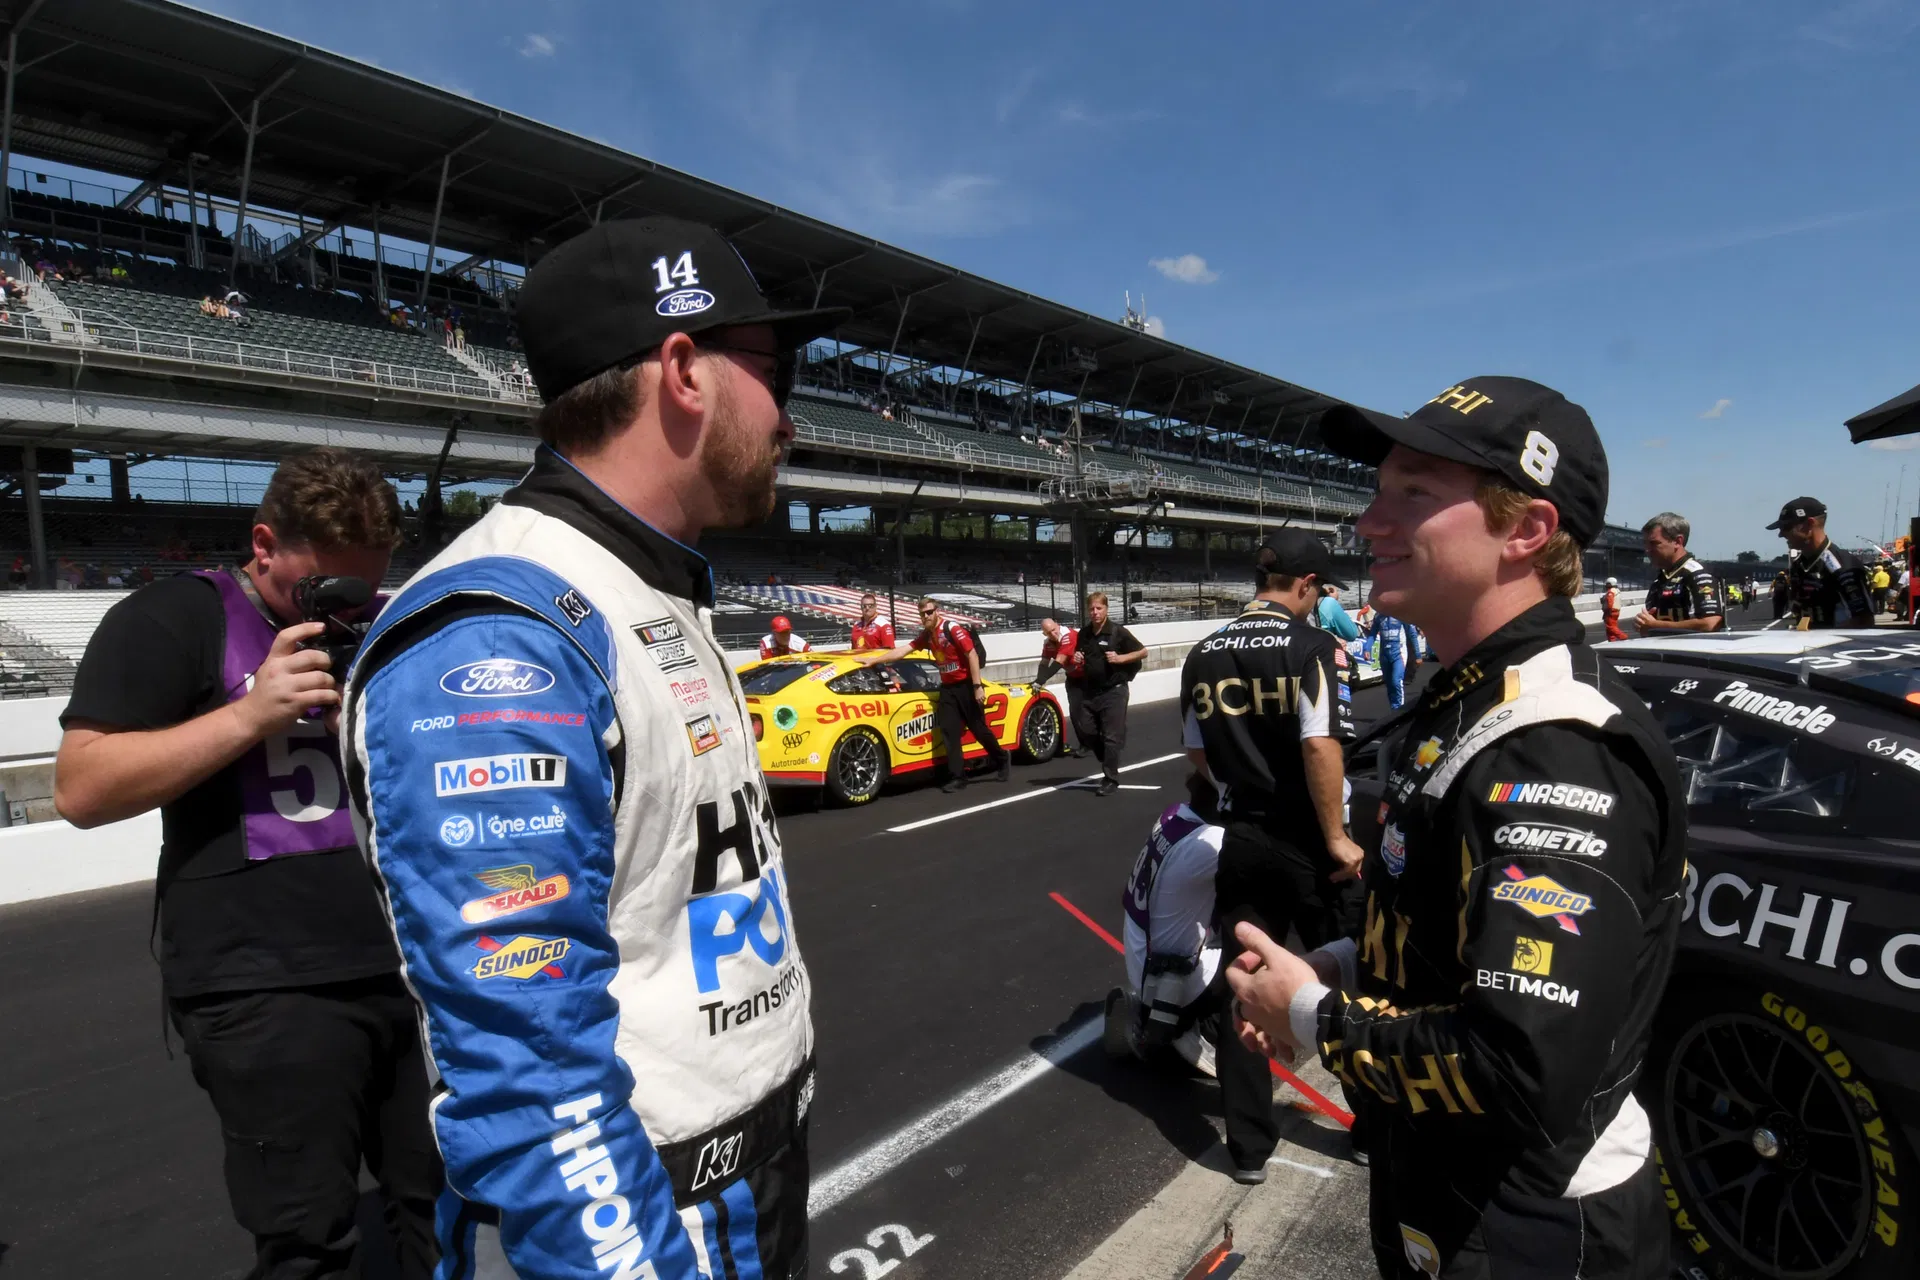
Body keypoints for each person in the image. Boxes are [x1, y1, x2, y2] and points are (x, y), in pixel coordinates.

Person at [342, 217, 842, 1278]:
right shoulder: (499, 635)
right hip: (652, 1216)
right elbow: (529, 1075)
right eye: (774, 369)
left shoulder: (652, 581)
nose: (789, 415)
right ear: (682, 370)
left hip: (752, 1178)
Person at [1227, 378, 1686, 1280]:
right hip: (1446, 1187)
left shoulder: (1556, 743)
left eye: (1415, 494)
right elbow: (1453, 938)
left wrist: (1315, 1018)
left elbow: (1520, 1068)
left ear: (1526, 532)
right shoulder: (1466, 701)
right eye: (1378, 491)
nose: (1368, 523)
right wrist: (1337, 968)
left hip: (1531, 1219)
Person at [53, 449, 439, 1278]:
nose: (347, 610)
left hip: (409, 969)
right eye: (324, 590)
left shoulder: (382, 622)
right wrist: (248, 715)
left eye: (364, 587)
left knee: (442, 1207)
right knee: (309, 1239)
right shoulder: (172, 619)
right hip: (265, 985)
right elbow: (81, 787)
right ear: (263, 546)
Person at [1178, 528, 1362, 1185]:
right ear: (1306, 585)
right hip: (1309, 843)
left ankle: (1249, 1149)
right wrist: (1338, 836)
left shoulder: (1204, 652)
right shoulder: (1313, 646)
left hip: (1243, 839)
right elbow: (1320, 746)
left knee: (1247, 989)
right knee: (1346, 980)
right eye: (1321, 591)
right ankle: (1370, 1127)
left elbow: (1196, 753)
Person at [1107, 771, 1227, 1076]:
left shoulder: (1173, 816)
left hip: (1145, 964)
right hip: (1171, 979)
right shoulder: (1211, 842)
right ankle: (1201, 1030)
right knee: (1259, 930)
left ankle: (1157, 1018)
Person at [858, 596, 1011, 792]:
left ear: (936, 611)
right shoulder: (927, 635)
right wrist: (875, 660)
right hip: (947, 688)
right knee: (949, 731)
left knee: (978, 728)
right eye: (923, 614)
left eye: (929, 612)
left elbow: (971, 654)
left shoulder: (952, 628)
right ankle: (958, 776)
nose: (926, 616)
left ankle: (1001, 757)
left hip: (965, 685)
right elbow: (904, 650)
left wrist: (977, 685)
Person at [1073, 592, 1147, 795]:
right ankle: (1106, 755)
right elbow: (1079, 654)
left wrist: (1120, 658)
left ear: (1106, 609)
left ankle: (1110, 779)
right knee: (1085, 729)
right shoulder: (1084, 633)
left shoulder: (1117, 632)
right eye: (1091, 609)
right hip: (1090, 690)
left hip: (1114, 690)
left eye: (1099, 608)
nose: (1095, 613)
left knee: (1111, 736)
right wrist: (1077, 657)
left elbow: (1143, 651)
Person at [1769, 497, 1874, 628]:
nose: (1781, 534)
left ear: (1809, 524)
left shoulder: (1842, 566)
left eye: (1787, 527)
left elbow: (1864, 621)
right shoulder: (1798, 566)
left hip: (1836, 646)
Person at [1634, 512, 1724, 634]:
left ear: (1677, 541)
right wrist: (1644, 625)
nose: (1647, 550)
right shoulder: (1660, 580)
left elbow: (1710, 624)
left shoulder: (1696, 573)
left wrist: (1655, 625)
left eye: (1654, 543)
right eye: (1645, 543)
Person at [1033, 616, 1086, 756]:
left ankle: (1100, 739)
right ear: (1044, 634)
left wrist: (1040, 681)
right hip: (1074, 678)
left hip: (1089, 676)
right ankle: (1085, 744)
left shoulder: (1068, 636)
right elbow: (1044, 663)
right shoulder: (1048, 643)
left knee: (1090, 712)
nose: (1053, 634)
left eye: (1054, 630)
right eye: (1049, 632)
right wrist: (1037, 680)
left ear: (1058, 625)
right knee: (1075, 713)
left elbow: (1058, 662)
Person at [1367, 606, 1421, 710]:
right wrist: (1367, 649)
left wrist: (1418, 655)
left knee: (1396, 681)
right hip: (1384, 655)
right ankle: (1394, 709)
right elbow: (1372, 634)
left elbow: (1412, 634)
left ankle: (1399, 711)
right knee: (1389, 684)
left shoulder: (1402, 615)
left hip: (1399, 654)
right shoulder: (1378, 616)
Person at [1600, 576, 1627, 642]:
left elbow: (1610, 602)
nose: (1606, 586)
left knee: (1610, 627)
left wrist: (1607, 610)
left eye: (1607, 584)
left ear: (1609, 584)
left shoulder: (1610, 592)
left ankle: (1623, 636)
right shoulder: (1617, 591)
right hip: (1616, 611)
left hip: (1610, 612)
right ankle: (1611, 640)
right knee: (1610, 628)